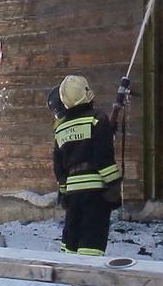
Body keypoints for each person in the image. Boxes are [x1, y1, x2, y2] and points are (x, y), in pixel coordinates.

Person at [49, 73, 122, 257]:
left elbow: (59, 167)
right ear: (87, 94)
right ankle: (89, 277)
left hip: (73, 192)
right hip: (95, 191)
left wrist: (64, 191)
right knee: (92, 239)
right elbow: (103, 156)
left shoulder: (61, 129)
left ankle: (71, 278)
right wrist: (113, 186)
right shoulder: (97, 119)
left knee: (72, 236)